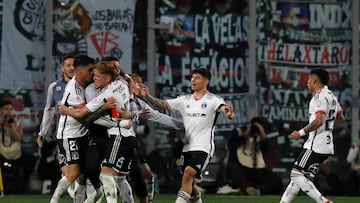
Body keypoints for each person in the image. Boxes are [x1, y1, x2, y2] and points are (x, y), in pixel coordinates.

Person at [139, 68, 235, 203]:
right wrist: (147, 96)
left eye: (197, 77)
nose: (193, 80)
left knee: (188, 175)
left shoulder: (213, 99)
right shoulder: (184, 100)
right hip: (187, 148)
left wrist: (228, 112)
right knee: (189, 180)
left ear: (206, 81)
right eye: (192, 77)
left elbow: (223, 107)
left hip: (203, 147)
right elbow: (163, 104)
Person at [59, 61, 136, 203]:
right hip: (127, 134)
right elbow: (120, 74)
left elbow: (84, 115)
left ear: (107, 78)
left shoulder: (106, 95)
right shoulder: (122, 84)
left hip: (118, 135)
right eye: (94, 74)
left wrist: (67, 110)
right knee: (119, 177)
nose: (94, 77)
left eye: (98, 75)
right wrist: (128, 78)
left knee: (106, 174)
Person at [279, 68, 345, 203]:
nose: (307, 82)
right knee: (298, 180)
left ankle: (323, 201)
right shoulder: (331, 95)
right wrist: (328, 129)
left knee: (295, 174)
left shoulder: (320, 97)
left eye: (309, 79)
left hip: (315, 146)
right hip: (326, 145)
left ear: (314, 80)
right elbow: (341, 118)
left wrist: (300, 133)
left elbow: (319, 121)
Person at [129, 73, 184, 203]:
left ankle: (149, 200)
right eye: (139, 84)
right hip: (115, 141)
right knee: (119, 177)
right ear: (130, 85)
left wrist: (183, 125)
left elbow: (158, 117)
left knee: (147, 173)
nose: (142, 86)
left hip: (131, 142)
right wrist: (134, 115)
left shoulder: (140, 103)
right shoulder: (121, 100)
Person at [50, 54, 95, 203]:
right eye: (90, 70)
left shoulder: (86, 86)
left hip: (82, 134)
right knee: (73, 172)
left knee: (82, 175)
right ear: (80, 70)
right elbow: (83, 116)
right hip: (69, 135)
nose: (93, 72)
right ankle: (54, 199)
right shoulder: (73, 90)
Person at [36, 55, 75, 193]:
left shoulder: (85, 86)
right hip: (63, 134)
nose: (72, 68)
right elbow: (49, 110)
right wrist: (42, 133)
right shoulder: (55, 87)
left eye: (74, 65)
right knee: (66, 167)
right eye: (68, 65)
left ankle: (76, 191)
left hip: (83, 133)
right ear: (62, 68)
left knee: (81, 169)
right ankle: (73, 190)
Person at [219, 117, 282, 195]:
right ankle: (246, 188)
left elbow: (266, 150)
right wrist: (246, 134)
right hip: (241, 167)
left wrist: (263, 135)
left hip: (258, 169)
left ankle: (259, 191)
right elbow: (231, 146)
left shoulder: (261, 136)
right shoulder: (238, 132)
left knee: (276, 179)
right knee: (232, 168)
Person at [0, 100, 36, 193]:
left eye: (11, 109)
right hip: (1, 153)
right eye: (6, 109)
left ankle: (22, 183)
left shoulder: (17, 123)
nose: (8, 111)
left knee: (31, 159)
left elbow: (17, 138)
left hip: (15, 153)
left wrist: (11, 127)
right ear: (1, 110)